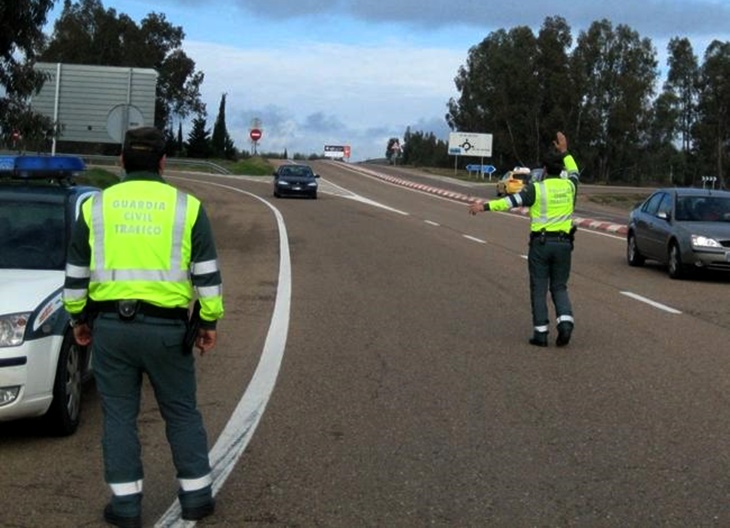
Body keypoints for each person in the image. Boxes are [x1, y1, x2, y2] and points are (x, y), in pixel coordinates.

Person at [63, 127, 224, 527]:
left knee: (118, 416)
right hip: (169, 332)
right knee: (182, 413)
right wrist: (207, 321)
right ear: (163, 162)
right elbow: (206, 275)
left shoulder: (95, 207)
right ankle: (197, 497)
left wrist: (78, 318)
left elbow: (75, 274)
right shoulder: (187, 207)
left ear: (120, 161)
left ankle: (126, 507)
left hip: (111, 329)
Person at [469, 131, 579, 347]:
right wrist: (565, 150)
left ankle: (541, 334)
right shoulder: (571, 186)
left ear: (545, 170)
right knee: (559, 286)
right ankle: (565, 324)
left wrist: (484, 206)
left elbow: (510, 201)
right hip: (564, 244)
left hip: (541, 244)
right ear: (561, 170)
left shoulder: (536, 189)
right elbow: (575, 171)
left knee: (539, 287)